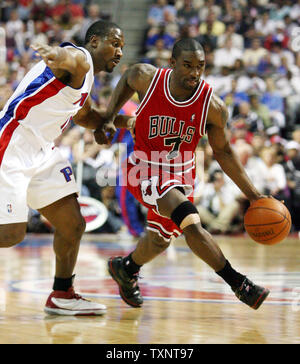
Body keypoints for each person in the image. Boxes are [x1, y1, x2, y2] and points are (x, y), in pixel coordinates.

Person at [96, 38, 270, 310]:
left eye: (200, 66)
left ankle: (126, 268)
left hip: (182, 174)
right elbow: (128, 77)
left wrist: (255, 196)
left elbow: (223, 152)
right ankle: (239, 284)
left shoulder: (212, 106)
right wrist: (109, 115)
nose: (194, 73)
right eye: (187, 66)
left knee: (158, 240)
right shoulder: (148, 78)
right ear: (172, 63)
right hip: (144, 166)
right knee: (190, 221)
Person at [0, 20, 132, 316]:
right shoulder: (80, 59)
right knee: (9, 234)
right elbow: (68, 58)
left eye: (122, 46)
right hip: (13, 142)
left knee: (73, 223)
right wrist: (54, 54)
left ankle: (62, 293)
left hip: (42, 150)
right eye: (115, 43)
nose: (120, 51)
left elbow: (85, 117)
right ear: (95, 41)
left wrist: (126, 122)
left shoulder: (84, 82)